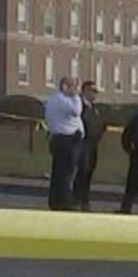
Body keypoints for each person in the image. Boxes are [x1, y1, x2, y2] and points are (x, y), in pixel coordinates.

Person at [43, 76, 83, 211]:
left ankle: (56, 199)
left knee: (59, 171)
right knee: (65, 172)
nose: (75, 90)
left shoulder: (55, 100)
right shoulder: (62, 101)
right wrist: (76, 97)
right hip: (66, 140)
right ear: (65, 87)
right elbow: (76, 112)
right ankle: (64, 200)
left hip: (60, 139)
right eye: (73, 87)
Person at [71, 81, 107, 211]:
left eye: (96, 91)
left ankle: (84, 198)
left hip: (92, 145)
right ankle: (76, 198)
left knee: (88, 172)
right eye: (92, 91)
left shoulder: (95, 108)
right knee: (82, 172)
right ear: (84, 91)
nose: (94, 94)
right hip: (82, 145)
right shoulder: (79, 106)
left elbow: (101, 125)